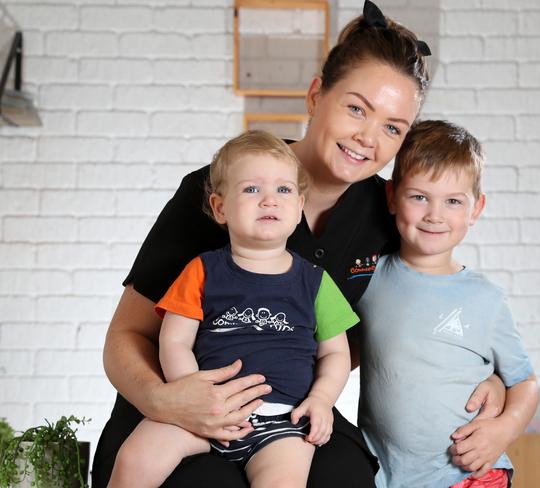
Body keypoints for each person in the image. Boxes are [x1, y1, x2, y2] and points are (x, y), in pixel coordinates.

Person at [92, 2, 513, 486]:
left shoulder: (389, 213)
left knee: (347, 474)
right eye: (356, 108)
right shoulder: (223, 190)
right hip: (173, 409)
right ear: (316, 95)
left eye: (392, 127)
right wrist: (166, 400)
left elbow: (420, 314)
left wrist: (487, 381)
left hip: (289, 415)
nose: (367, 137)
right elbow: (125, 337)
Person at [107, 131, 358, 488]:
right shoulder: (202, 271)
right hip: (202, 413)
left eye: (283, 190)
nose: (270, 200)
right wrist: (190, 396)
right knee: (135, 458)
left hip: (282, 422)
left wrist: (321, 398)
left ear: (300, 206)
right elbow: (174, 341)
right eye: (252, 189)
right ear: (220, 207)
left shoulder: (316, 282)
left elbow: (336, 353)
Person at [356, 120, 539, 488]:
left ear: (476, 209)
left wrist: (502, 431)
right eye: (419, 196)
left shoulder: (485, 298)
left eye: (453, 201)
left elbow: (525, 383)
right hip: (389, 474)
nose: (434, 215)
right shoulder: (366, 278)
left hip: (469, 474)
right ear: (392, 197)